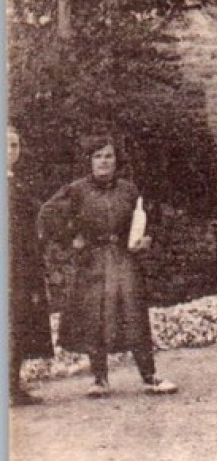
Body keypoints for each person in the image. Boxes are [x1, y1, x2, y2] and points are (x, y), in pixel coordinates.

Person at [38, 135, 177, 397]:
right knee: (94, 317)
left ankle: (149, 376)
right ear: (90, 161)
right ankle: (100, 380)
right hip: (92, 260)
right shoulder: (77, 190)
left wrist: (146, 238)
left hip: (124, 259)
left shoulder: (128, 190)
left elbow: (149, 219)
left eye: (109, 156)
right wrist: (71, 238)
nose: (104, 161)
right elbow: (47, 213)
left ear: (116, 160)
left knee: (134, 313)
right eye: (98, 156)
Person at [8, 127, 54, 405]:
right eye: (7, 145)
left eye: (15, 145)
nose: (11, 151)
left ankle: (12, 385)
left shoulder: (18, 184)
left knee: (19, 323)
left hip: (22, 265)